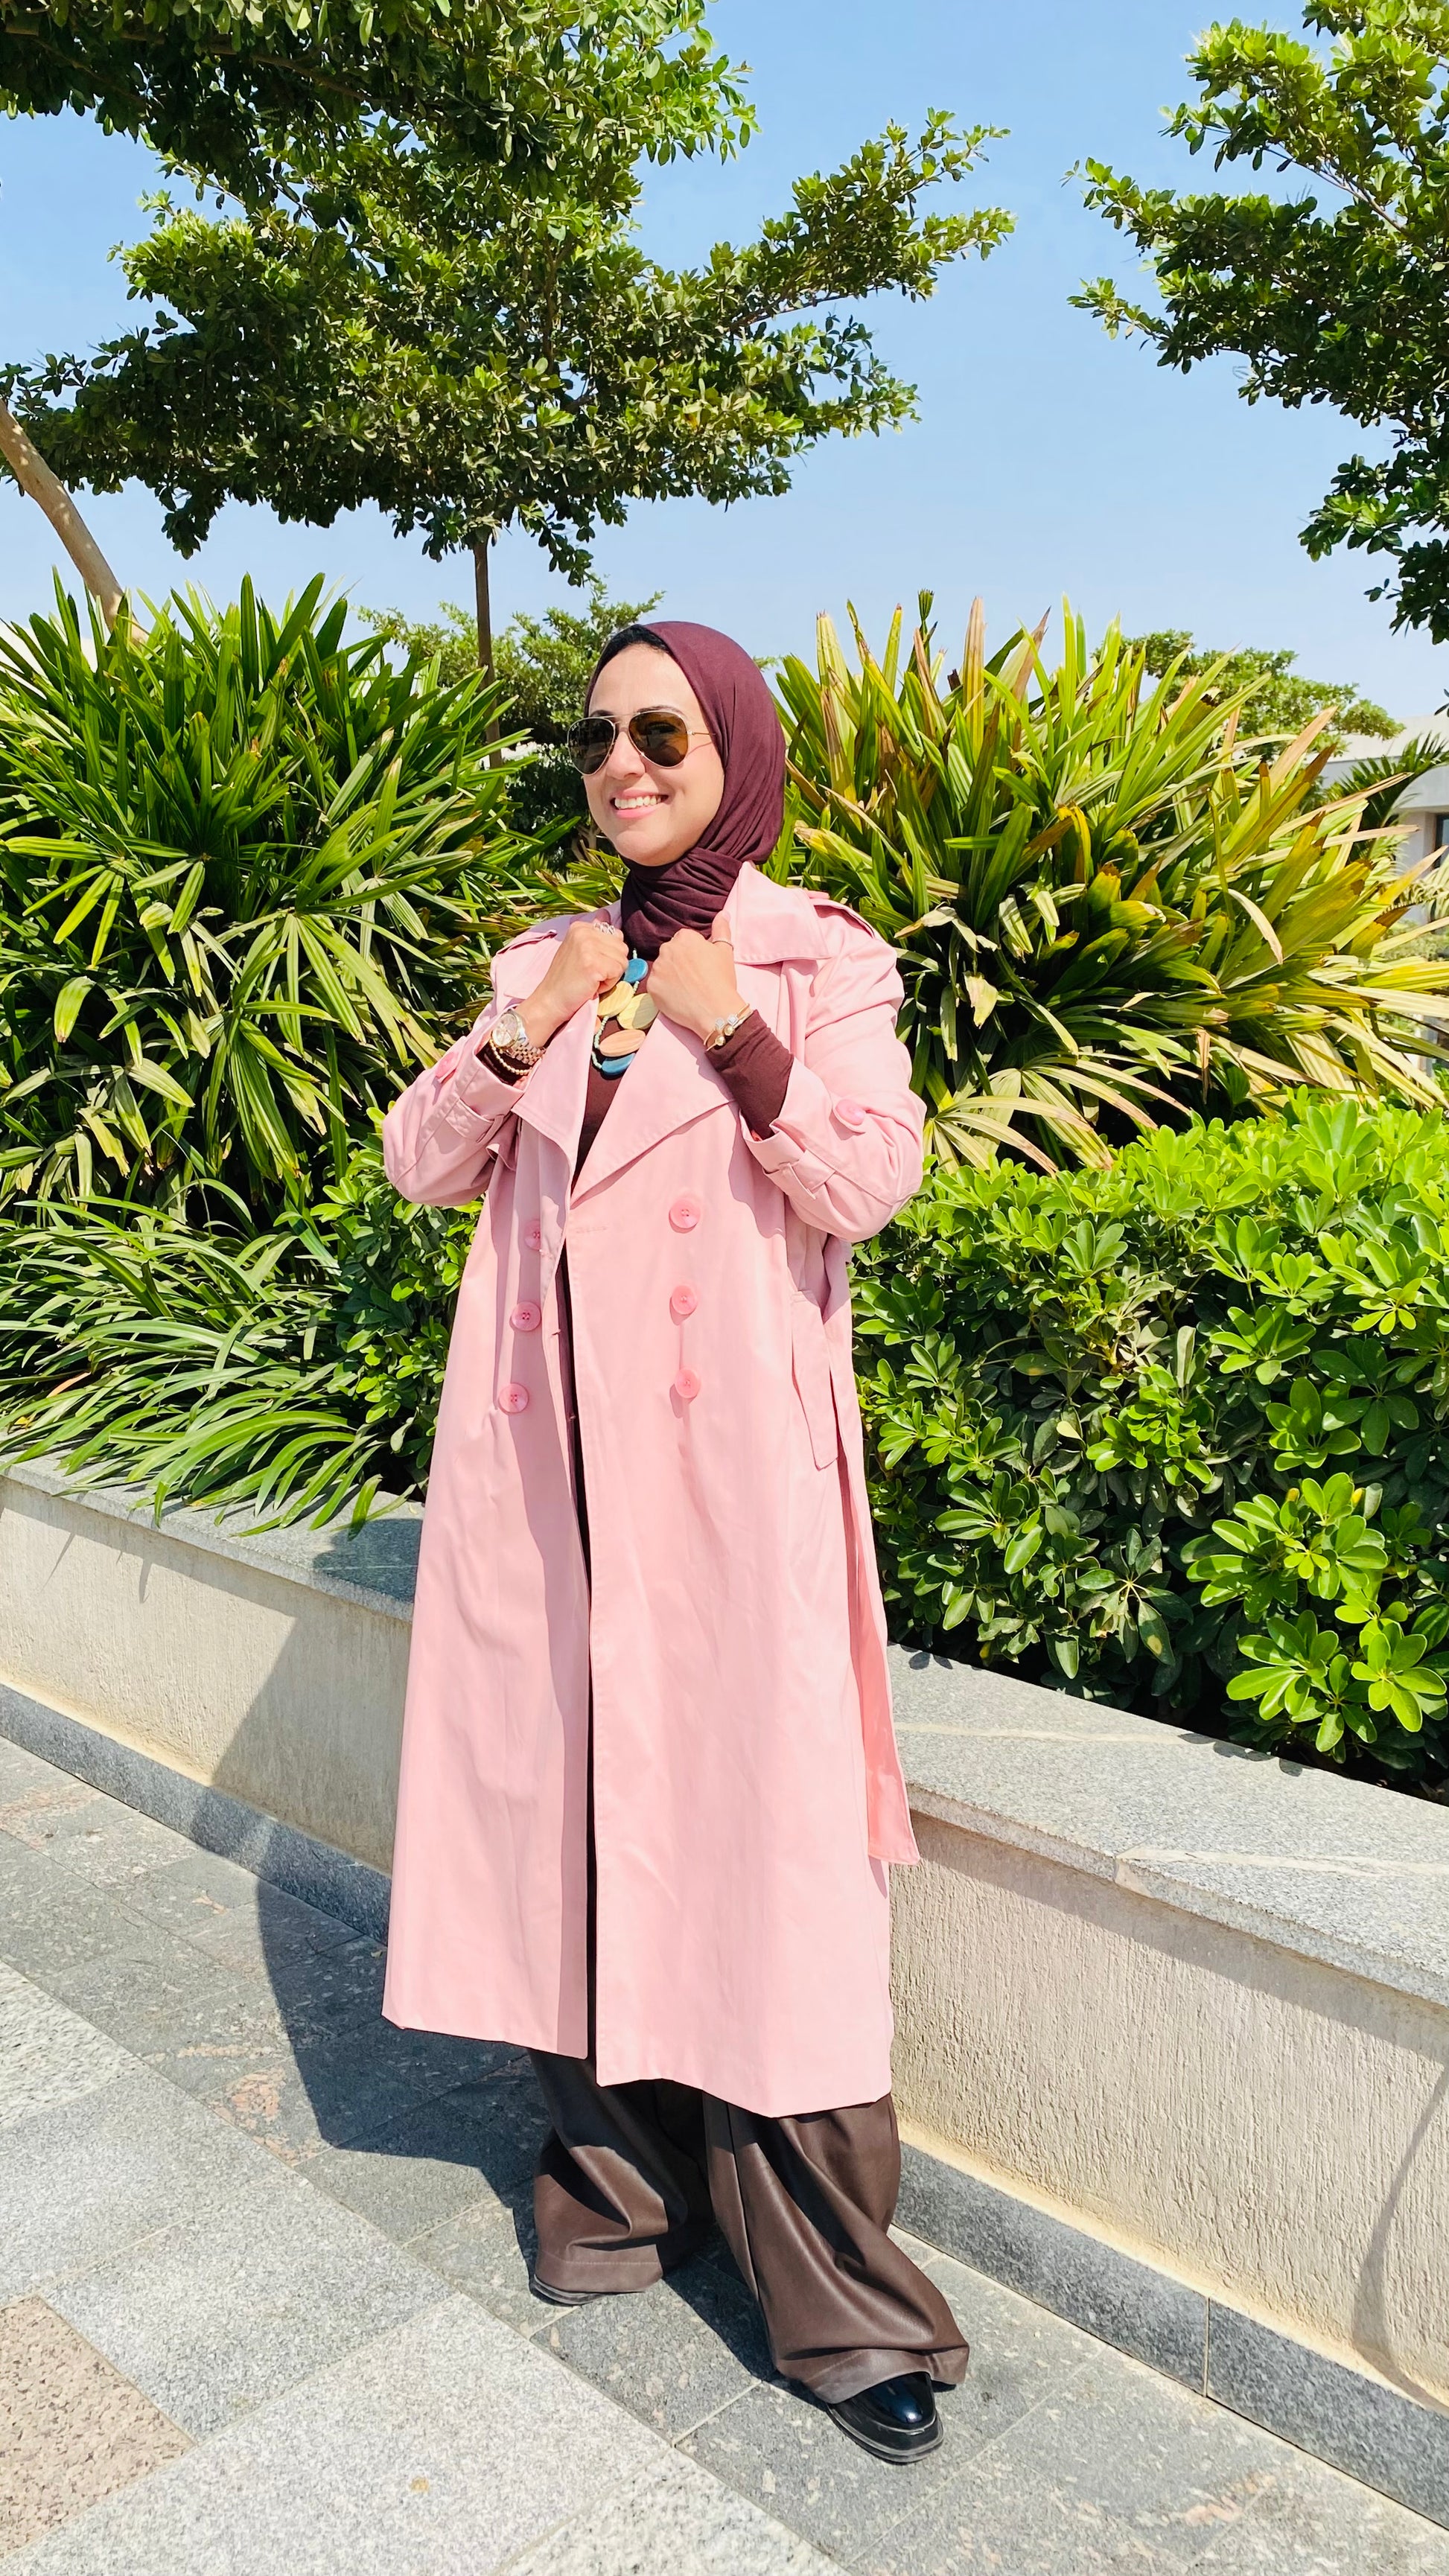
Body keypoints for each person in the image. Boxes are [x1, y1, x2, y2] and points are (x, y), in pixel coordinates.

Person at [380, 618, 968, 2461]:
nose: (620, 764)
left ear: (732, 747)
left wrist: (733, 1025)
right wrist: (530, 1016)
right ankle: (619, 2192)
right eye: (594, 737)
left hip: (725, 1481)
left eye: (659, 731)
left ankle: (838, 2295)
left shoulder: (816, 955)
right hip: (547, 1468)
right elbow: (420, 1163)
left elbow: (868, 1179)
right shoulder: (545, 959)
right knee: (570, 1825)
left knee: (762, 1860)